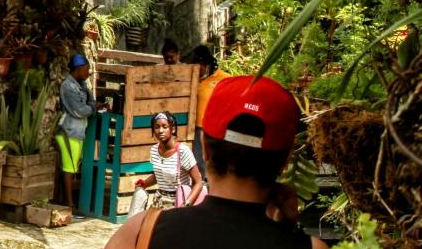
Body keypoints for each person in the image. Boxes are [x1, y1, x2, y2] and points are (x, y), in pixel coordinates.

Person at [106, 76, 326, 249]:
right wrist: (289, 231)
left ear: (206, 149)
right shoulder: (312, 247)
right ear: (286, 160)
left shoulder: (140, 232)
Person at [56, 53, 105, 214]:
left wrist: (91, 105)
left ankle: (67, 200)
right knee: (68, 167)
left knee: (72, 166)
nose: (88, 73)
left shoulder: (82, 84)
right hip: (69, 130)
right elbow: (79, 110)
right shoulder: (67, 86)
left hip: (78, 131)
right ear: (78, 69)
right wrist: (93, 108)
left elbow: (90, 101)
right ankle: (69, 204)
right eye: (86, 70)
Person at [129, 111, 203, 213]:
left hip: (178, 203)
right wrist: (144, 184)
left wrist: (186, 205)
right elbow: (159, 175)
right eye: (157, 127)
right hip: (158, 203)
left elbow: (198, 182)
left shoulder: (183, 151)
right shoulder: (154, 150)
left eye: (165, 126)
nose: (160, 130)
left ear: (172, 129)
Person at [186, 45, 230, 181]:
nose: (198, 71)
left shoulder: (225, 79)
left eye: (200, 67)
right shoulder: (193, 80)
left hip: (216, 129)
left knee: (214, 163)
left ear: (208, 64)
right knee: (198, 162)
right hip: (197, 129)